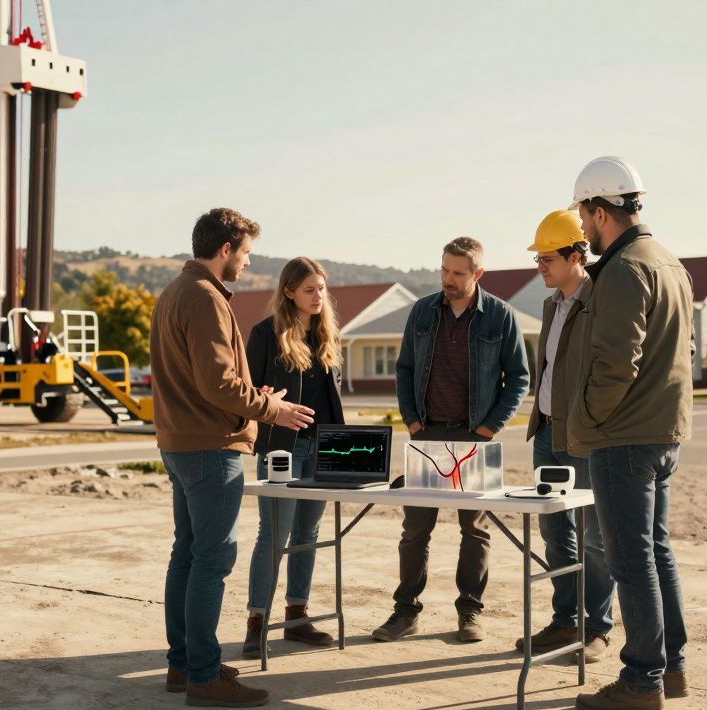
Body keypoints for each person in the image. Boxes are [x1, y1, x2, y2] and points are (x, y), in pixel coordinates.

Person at [150, 207, 316, 708]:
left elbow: (204, 381)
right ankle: (202, 676)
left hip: (181, 442)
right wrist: (273, 408)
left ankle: (184, 665)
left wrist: (251, 395)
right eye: (244, 253)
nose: (246, 262)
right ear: (224, 250)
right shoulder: (204, 298)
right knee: (213, 559)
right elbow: (217, 384)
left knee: (188, 553)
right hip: (208, 448)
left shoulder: (175, 293)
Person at [564, 157, 695, 710]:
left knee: (630, 558)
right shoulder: (670, 263)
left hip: (624, 437)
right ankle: (673, 665)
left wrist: (588, 420)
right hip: (664, 432)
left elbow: (616, 362)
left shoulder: (621, 270)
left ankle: (643, 680)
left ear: (600, 210)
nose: (583, 231)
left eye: (584, 218)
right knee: (655, 551)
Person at [372, 236, 529, 644]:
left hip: (476, 435)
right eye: (444, 269)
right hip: (427, 432)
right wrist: (413, 423)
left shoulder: (500, 316)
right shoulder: (422, 311)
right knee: (415, 531)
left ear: (477, 273)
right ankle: (405, 612)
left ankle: (469, 613)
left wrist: (489, 428)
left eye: (458, 272)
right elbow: (404, 369)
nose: (448, 278)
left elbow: (519, 379)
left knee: (474, 531)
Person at [517, 210, 616, 663]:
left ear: (577, 256)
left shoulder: (602, 300)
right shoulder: (551, 303)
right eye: (537, 258)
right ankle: (565, 621)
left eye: (548, 258)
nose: (541, 266)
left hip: (588, 439)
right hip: (548, 435)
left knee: (595, 538)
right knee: (555, 531)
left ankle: (597, 629)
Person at [242, 257, 346, 657]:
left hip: (323, 450)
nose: (318, 296)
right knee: (273, 536)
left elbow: (333, 400)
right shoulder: (265, 334)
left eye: (321, 288)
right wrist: (265, 400)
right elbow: (248, 393)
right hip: (280, 449)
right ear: (288, 292)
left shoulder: (327, 335)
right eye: (309, 289)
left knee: (308, 535)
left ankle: (297, 617)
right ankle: (257, 621)